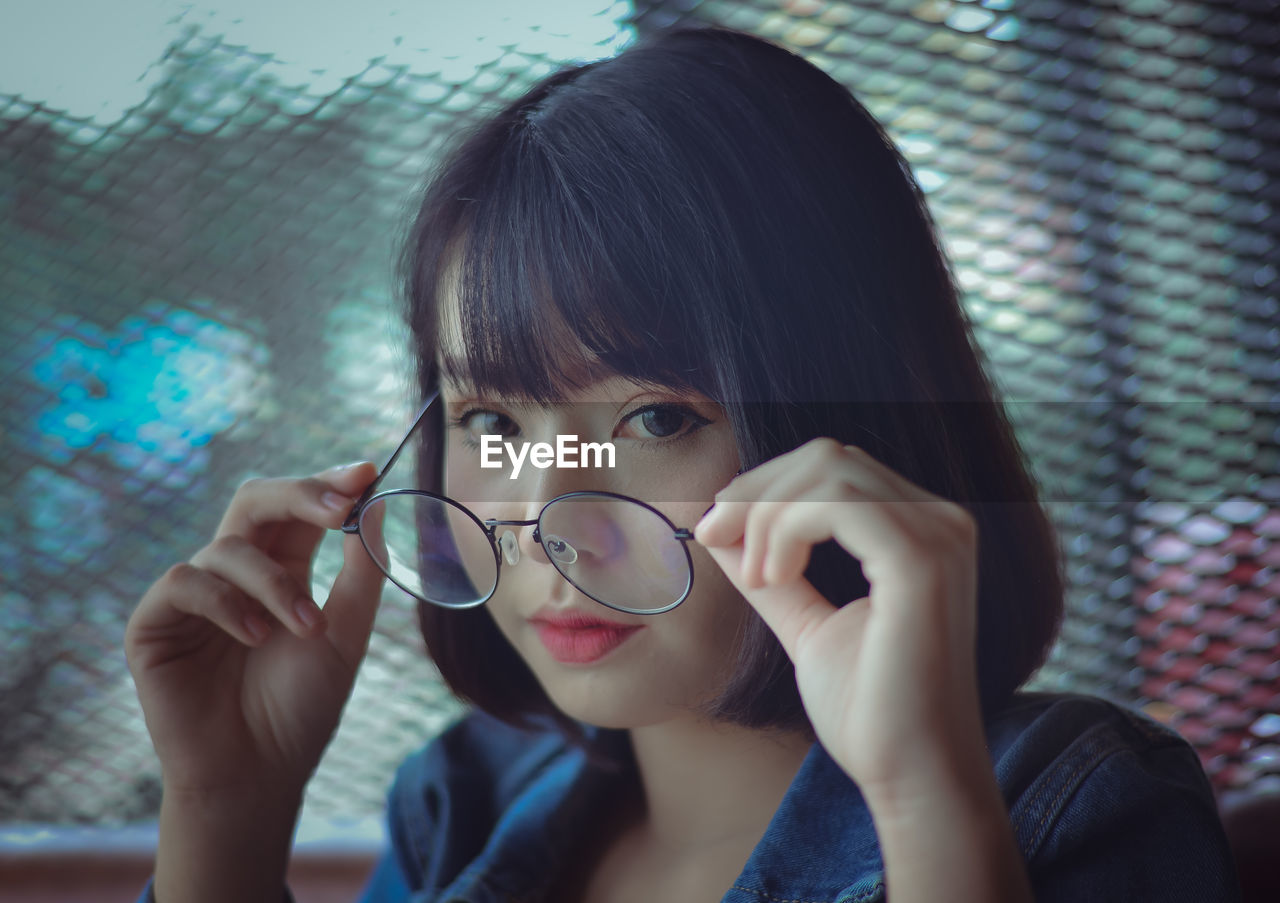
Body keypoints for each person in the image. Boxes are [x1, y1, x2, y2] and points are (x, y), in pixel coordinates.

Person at [125, 23, 1241, 903]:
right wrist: (223, 813)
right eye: (495, 426)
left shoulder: (1072, 799)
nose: (551, 520)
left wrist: (921, 795)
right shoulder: (460, 801)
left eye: (655, 419)